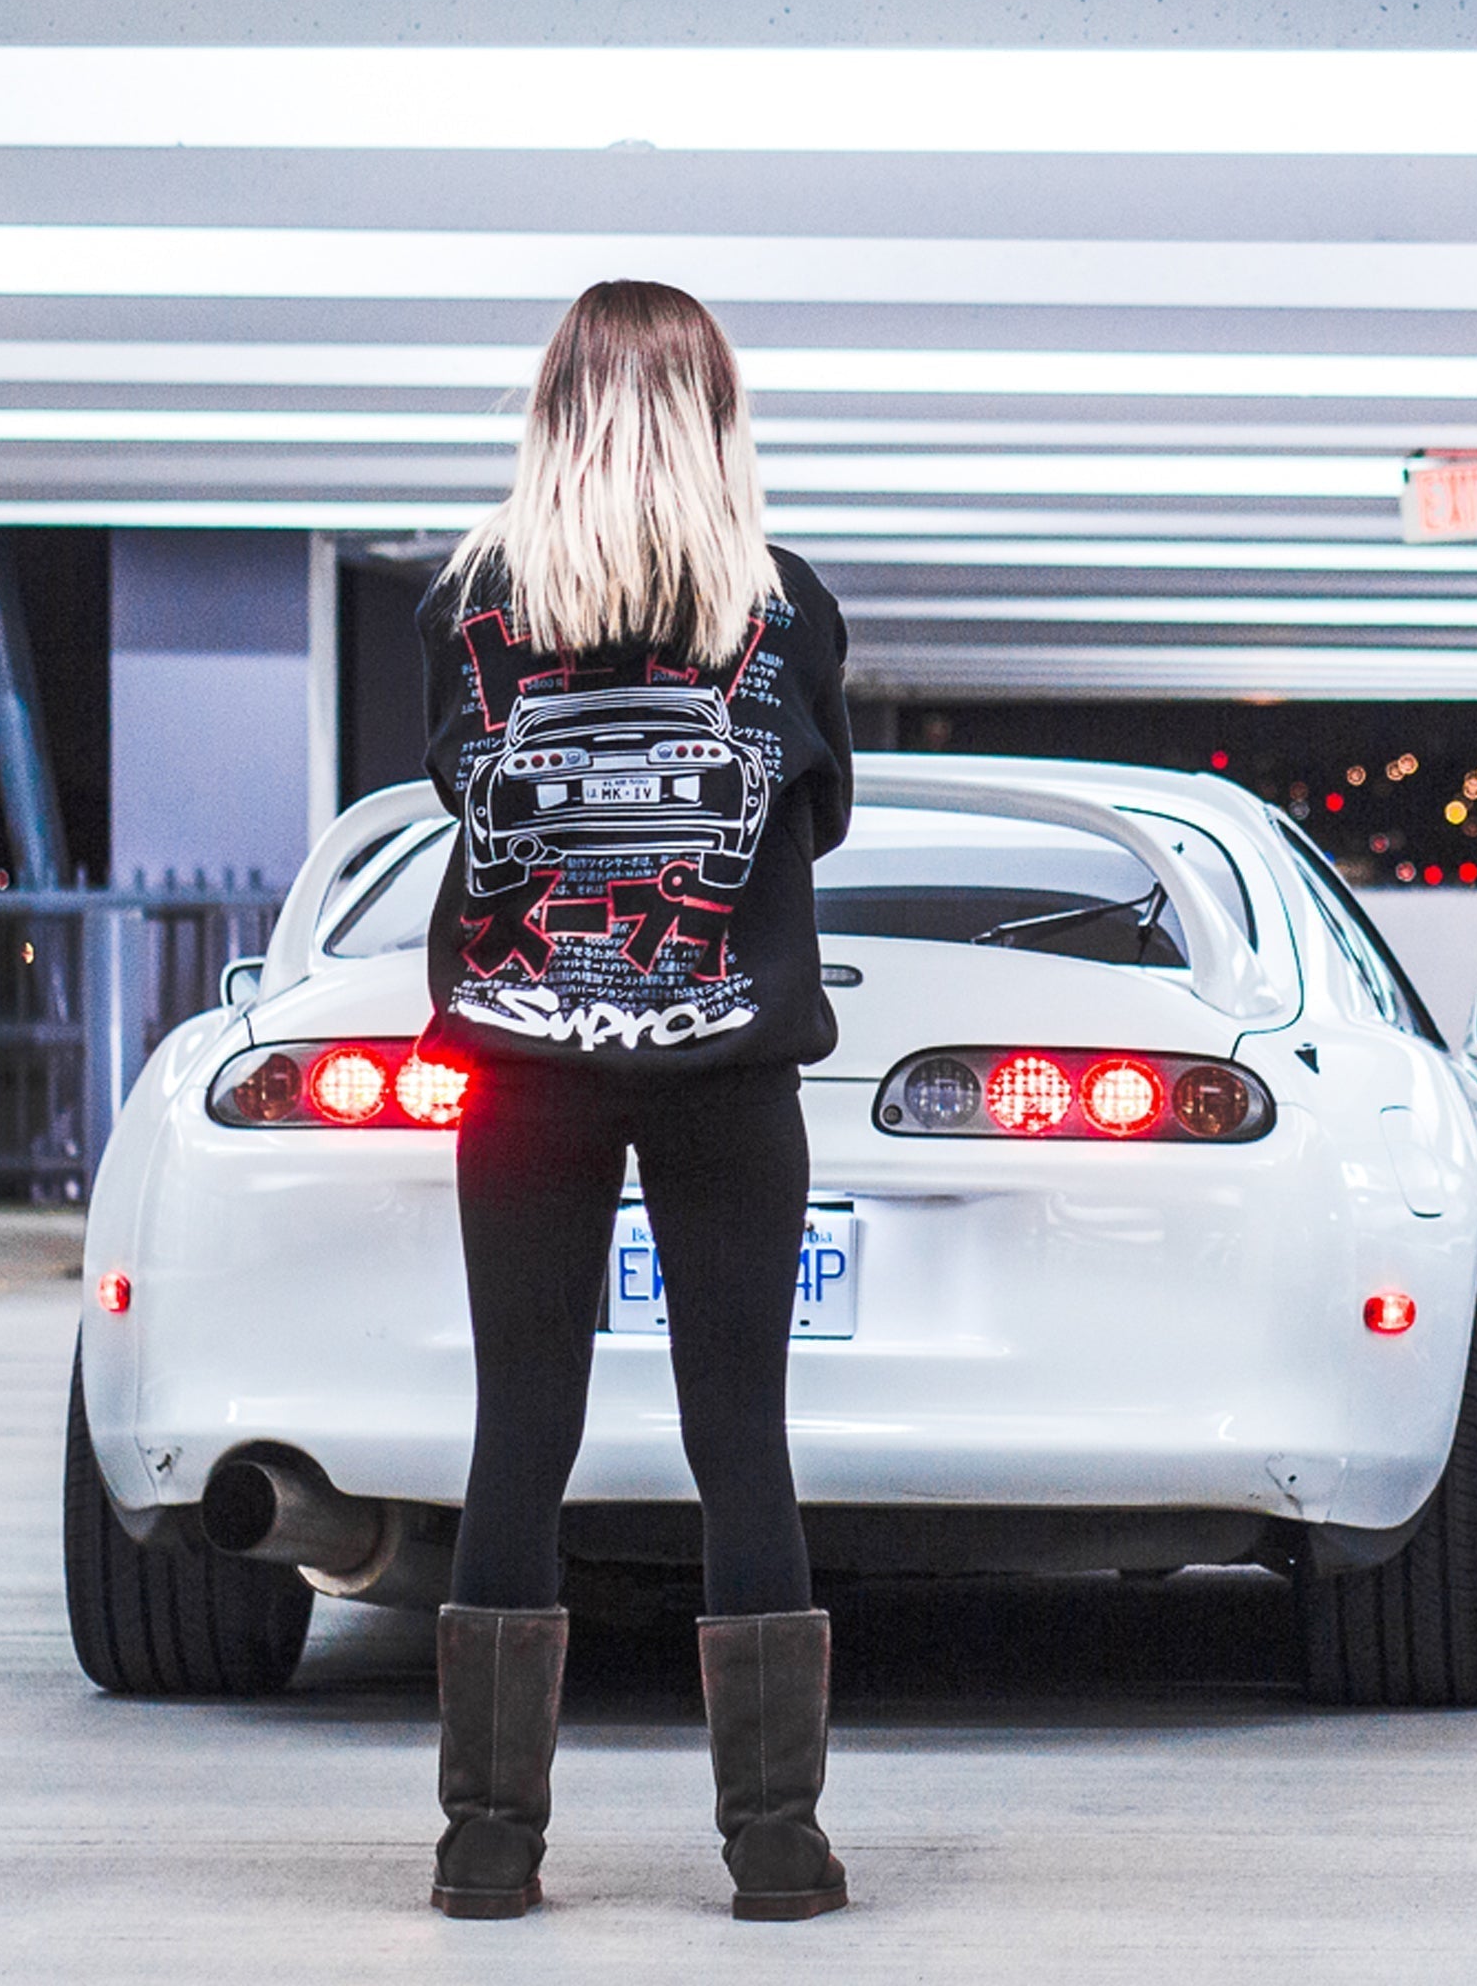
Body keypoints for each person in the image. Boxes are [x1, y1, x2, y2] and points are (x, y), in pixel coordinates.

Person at [416, 280, 854, 1922]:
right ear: (720, 422)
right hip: (729, 1074)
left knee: (519, 1437)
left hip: (519, 1072)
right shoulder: (788, 607)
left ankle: (488, 1846)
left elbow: (459, 793)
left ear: (555, 416)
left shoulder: (471, 605)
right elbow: (816, 817)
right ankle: (776, 1847)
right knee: (741, 1440)